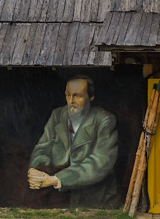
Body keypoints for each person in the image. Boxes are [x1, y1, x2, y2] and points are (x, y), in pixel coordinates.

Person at [28, 75, 118, 208]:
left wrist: (57, 179)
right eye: (68, 95)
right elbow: (42, 148)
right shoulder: (58, 115)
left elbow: (100, 162)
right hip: (57, 192)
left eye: (77, 96)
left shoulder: (105, 120)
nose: (71, 101)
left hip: (95, 195)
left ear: (91, 97)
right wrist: (37, 171)